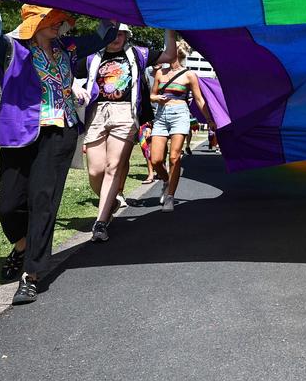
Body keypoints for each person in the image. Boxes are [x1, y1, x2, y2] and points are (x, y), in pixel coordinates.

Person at [0, 0, 116, 305]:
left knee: (43, 201)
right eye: (55, 19)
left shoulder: (69, 49)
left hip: (60, 133)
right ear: (39, 22)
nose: (62, 23)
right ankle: (22, 245)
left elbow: (103, 34)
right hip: (19, 133)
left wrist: (110, 4)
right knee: (8, 204)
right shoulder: (11, 47)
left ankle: (31, 275)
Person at [78, 24, 173, 242]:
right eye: (112, 33)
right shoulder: (92, 57)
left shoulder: (138, 54)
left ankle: (100, 223)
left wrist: (169, 26)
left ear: (127, 35)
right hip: (97, 112)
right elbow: (70, 68)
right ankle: (110, 202)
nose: (116, 38)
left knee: (113, 167)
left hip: (125, 114)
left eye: (121, 33)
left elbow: (169, 54)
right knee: (95, 171)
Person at [149, 37, 215, 212]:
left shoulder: (189, 75)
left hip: (180, 115)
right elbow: (152, 95)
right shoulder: (160, 73)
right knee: (155, 160)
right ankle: (166, 181)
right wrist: (156, 98)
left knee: (174, 157)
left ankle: (170, 196)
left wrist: (209, 119)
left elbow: (199, 100)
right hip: (161, 116)